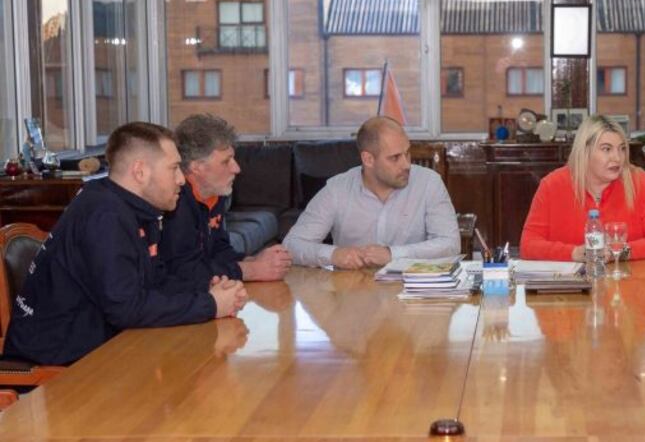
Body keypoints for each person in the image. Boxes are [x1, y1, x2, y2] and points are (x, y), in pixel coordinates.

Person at [3, 122, 248, 366]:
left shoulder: (137, 208)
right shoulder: (104, 215)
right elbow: (125, 307)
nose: (182, 179)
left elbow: (155, 281)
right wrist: (210, 305)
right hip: (56, 365)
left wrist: (206, 289)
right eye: (173, 168)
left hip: (98, 347)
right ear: (140, 172)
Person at [283, 116, 460, 269]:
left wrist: (392, 254)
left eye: (407, 153)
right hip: (353, 294)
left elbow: (450, 244)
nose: (406, 164)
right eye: (395, 158)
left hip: (411, 291)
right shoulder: (336, 190)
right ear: (368, 159)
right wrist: (333, 255)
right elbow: (292, 245)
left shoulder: (429, 183)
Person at [159, 114, 291, 288]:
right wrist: (252, 270)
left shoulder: (214, 193)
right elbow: (182, 270)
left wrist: (252, 260)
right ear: (196, 167)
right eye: (226, 161)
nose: (237, 168)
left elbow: (219, 250)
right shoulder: (174, 202)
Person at [520, 114, 645, 261]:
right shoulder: (552, 185)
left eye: (622, 149)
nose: (617, 158)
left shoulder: (639, 183)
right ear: (585, 151)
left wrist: (618, 252)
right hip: (572, 284)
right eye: (607, 149)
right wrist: (573, 253)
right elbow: (528, 245)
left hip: (628, 281)